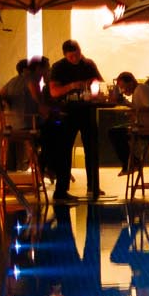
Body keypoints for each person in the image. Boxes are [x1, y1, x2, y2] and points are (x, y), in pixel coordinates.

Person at [46, 39, 105, 200]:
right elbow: (54, 92)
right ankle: (61, 190)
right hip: (67, 113)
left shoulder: (88, 64)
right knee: (64, 150)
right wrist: (72, 86)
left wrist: (92, 85)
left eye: (77, 54)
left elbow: (98, 82)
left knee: (92, 149)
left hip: (87, 111)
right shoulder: (59, 67)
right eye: (71, 56)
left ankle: (93, 185)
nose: (75, 58)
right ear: (65, 55)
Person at [109, 70, 149, 168]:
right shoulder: (138, 90)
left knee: (114, 133)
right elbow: (140, 107)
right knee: (116, 132)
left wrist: (136, 111)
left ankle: (131, 162)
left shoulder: (141, 89)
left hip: (148, 127)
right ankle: (132, 161)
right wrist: (126, 104)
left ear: (131, 82)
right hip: (144, 125)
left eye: (123, 87)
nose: (123, 90)